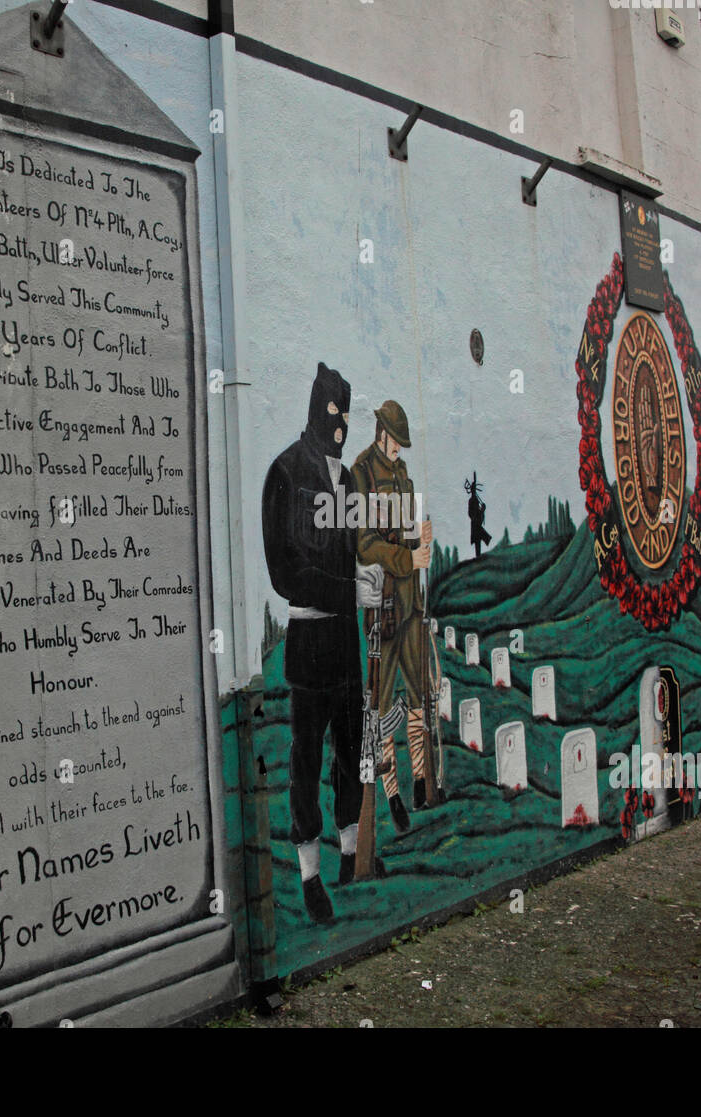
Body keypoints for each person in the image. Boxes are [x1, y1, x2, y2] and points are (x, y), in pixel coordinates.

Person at [261, 362, 385, 925]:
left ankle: (352, 856)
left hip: (345, 643)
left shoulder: (350, 482)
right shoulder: (285, 473)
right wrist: (348, 590)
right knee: (307, 760)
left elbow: (356, 552)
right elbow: (286, 573)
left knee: (350, 751)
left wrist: (376, 575)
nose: (341, 423)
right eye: (332, 411)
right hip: (311, 640)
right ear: (316, 410)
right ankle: (310, 874)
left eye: (347, 413)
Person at [352, 401, 436, 829]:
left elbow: (404, 530)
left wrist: (420, 537)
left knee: (420, 693)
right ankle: (393, 795)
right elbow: (364, 544)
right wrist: (409, 558)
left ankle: (421, 778)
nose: (400, 449)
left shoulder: (402, 476)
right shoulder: (361, 474)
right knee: (383, 707)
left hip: (411, 604)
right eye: (396, 440)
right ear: (381, 432)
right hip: (383, 610)